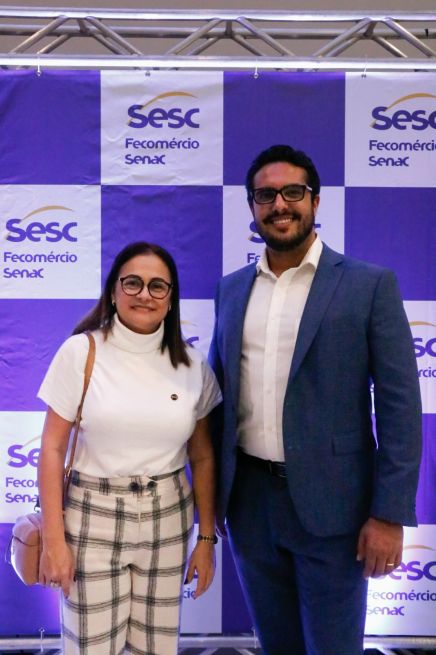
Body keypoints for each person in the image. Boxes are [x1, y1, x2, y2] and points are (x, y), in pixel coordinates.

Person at [209, 145, 422, 655]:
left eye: (293, 192)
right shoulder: (231, 291)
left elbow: (400, 407)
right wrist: (212, 495)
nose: (280, 204)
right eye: (266, 195)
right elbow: (218, 397)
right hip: (250, 506)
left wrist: (389, 514)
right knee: (276, 646)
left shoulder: (368, 285)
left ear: (315, 201)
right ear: (252, 206)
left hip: (337, 511)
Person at [37, 241, 222, 655]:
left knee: (156, 649)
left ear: (171, 298)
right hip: (92, 518)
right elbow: (51, 449)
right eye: (133, 283)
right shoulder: (81, 352)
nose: (144, 295)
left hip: (169, 517)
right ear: (114, 290)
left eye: (158, 286)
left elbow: (203, 457)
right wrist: (54, 541)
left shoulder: (192, 364)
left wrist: (206, 539)